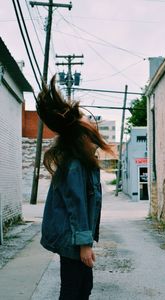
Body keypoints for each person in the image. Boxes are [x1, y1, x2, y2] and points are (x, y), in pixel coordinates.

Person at [36, 75, 112, 300]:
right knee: (73, 290)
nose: (89, 119)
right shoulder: (75, 163)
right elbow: (76, 205)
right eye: (85, 117)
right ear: (79, 127)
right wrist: (84, 244)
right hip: (71, 237)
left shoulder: (81, 159)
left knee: (82, 288)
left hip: (72, 237)